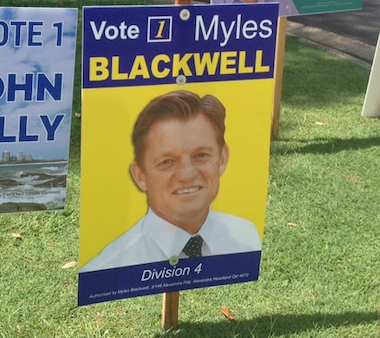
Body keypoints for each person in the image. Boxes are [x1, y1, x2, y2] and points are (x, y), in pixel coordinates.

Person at [80, 90, 260, 272]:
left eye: (201, 155)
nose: (187, 174)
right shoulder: (109, 269)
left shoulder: (247, 238)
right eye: (167, 162)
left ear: (222, 158)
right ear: (140, 175)